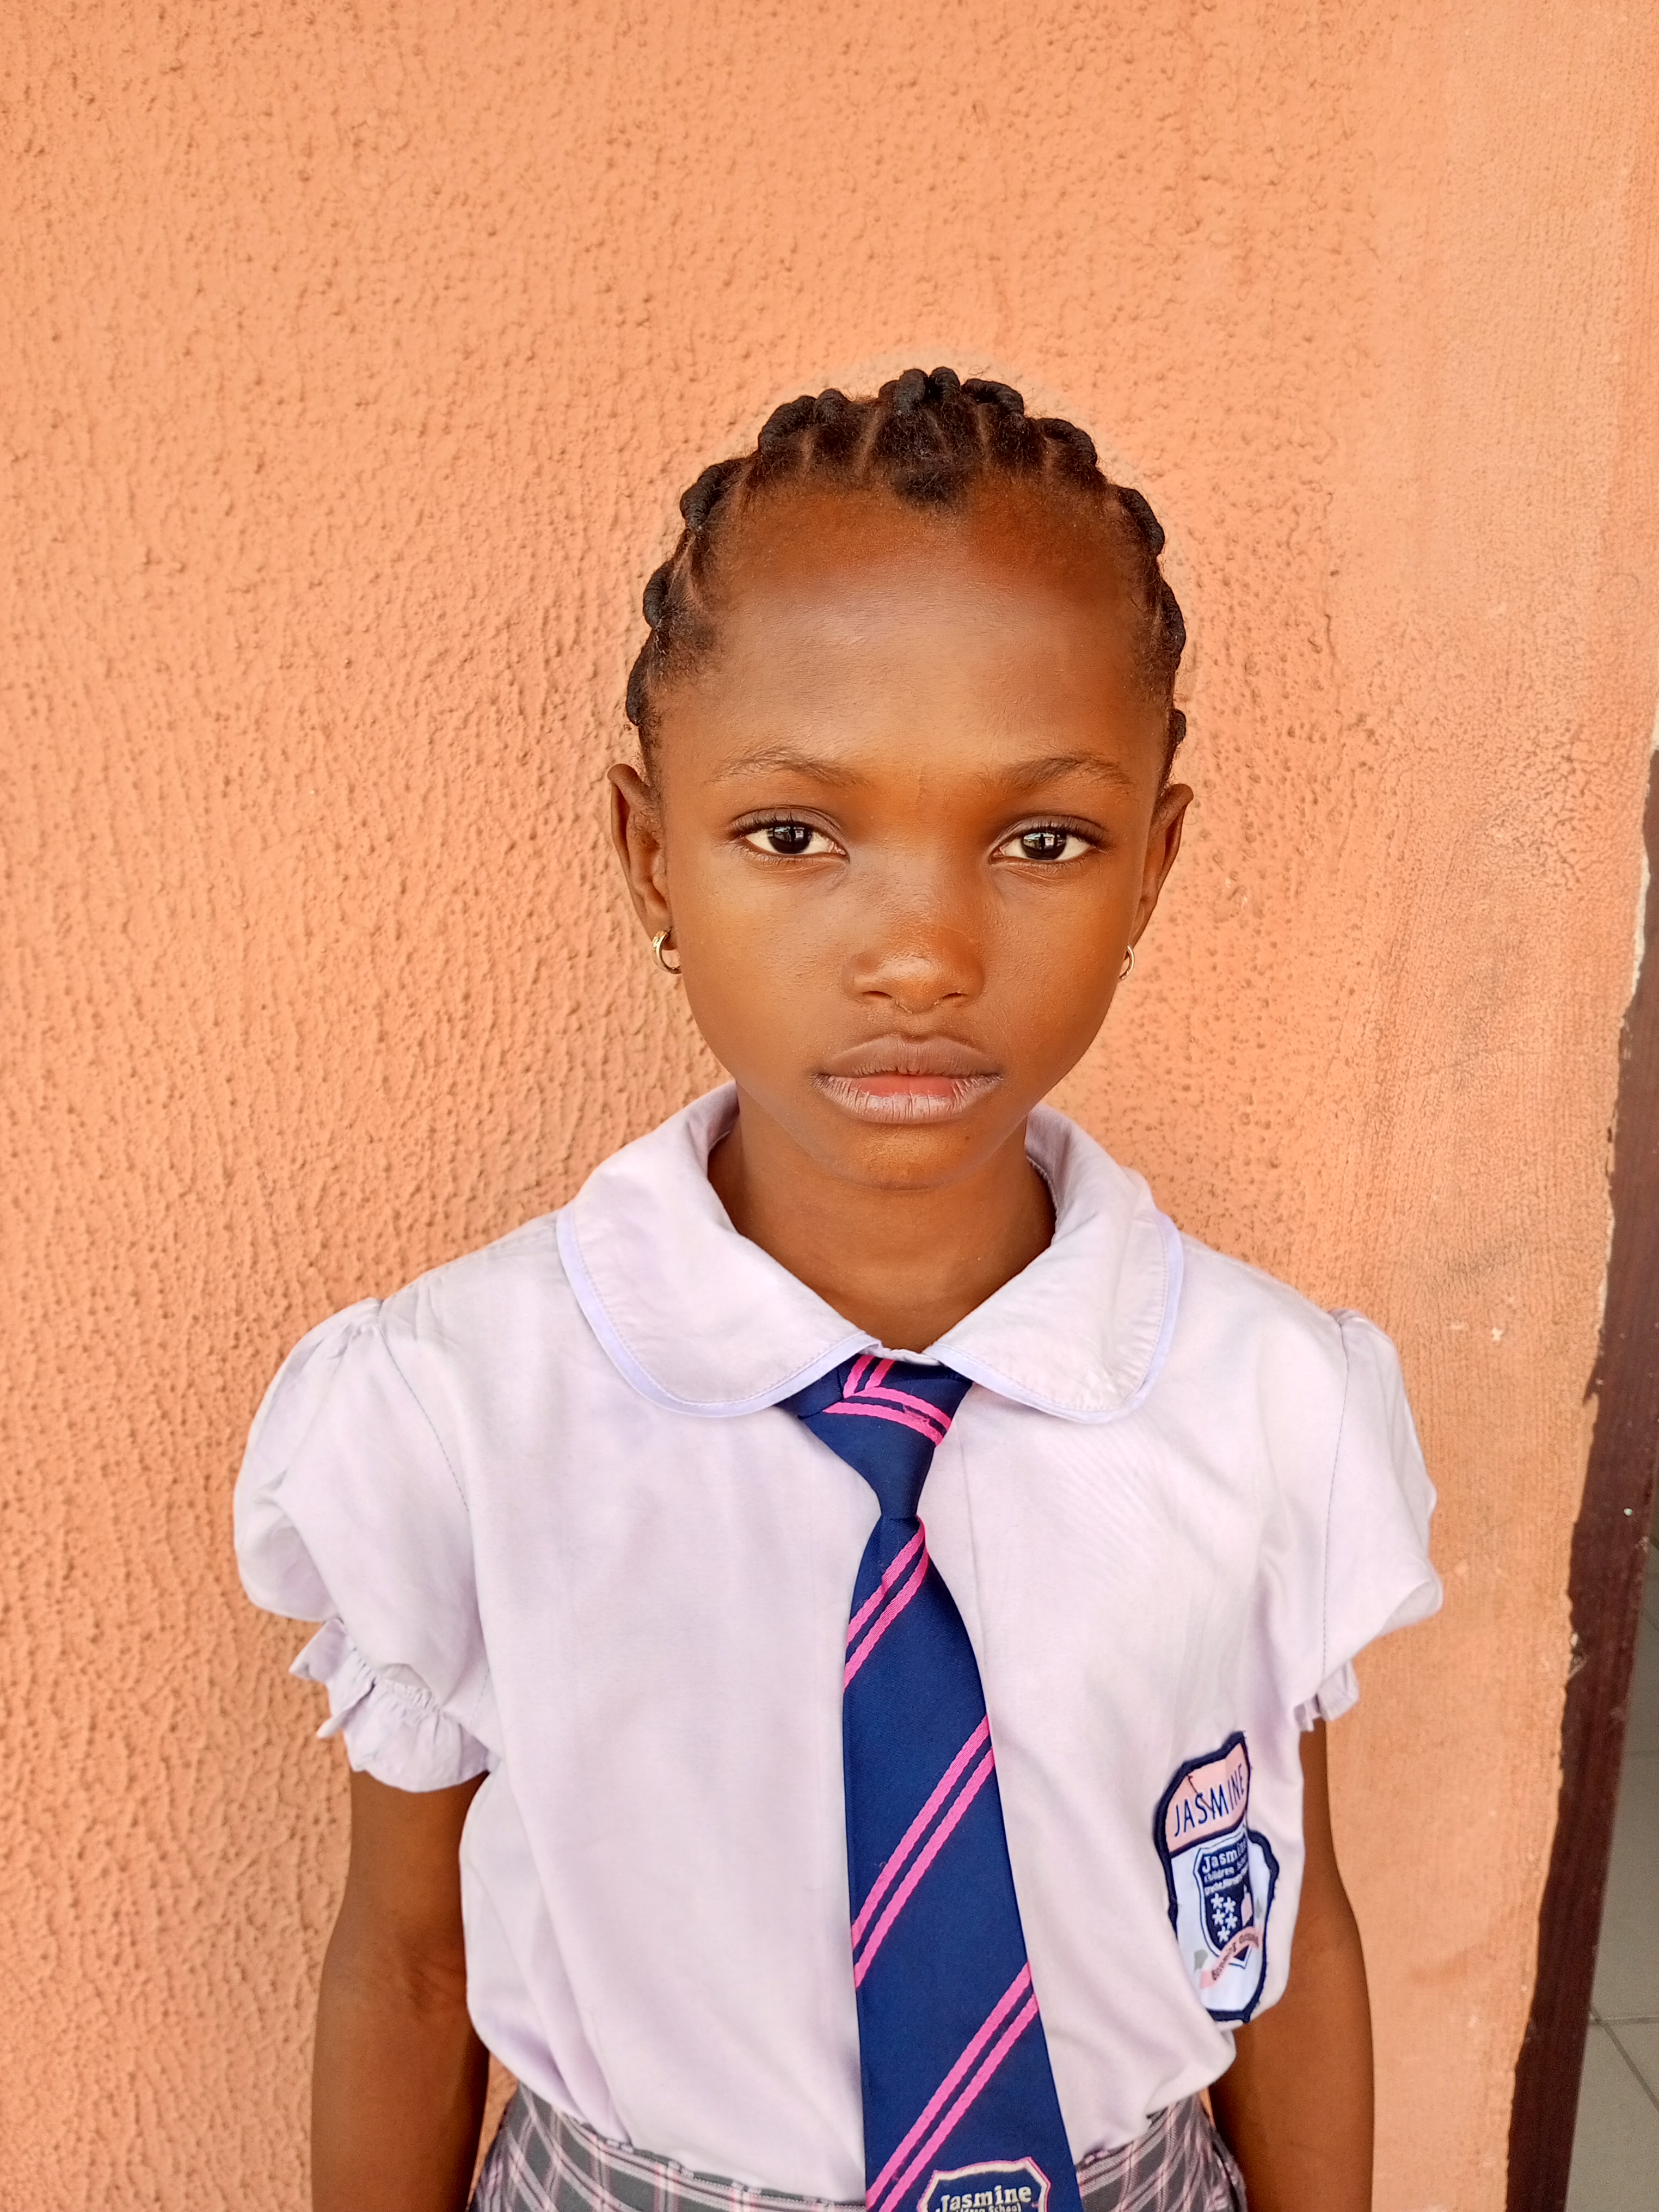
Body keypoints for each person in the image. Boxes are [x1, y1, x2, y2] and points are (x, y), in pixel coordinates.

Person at [236, 367, 1442, 2212]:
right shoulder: (452, 1409)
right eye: (797, 835)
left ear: (1154, 865)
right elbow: (405, 1967)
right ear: (650, 854)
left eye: (1042, 841)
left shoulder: (1276, 1404)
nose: (923, 952)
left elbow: (1290, 1931)